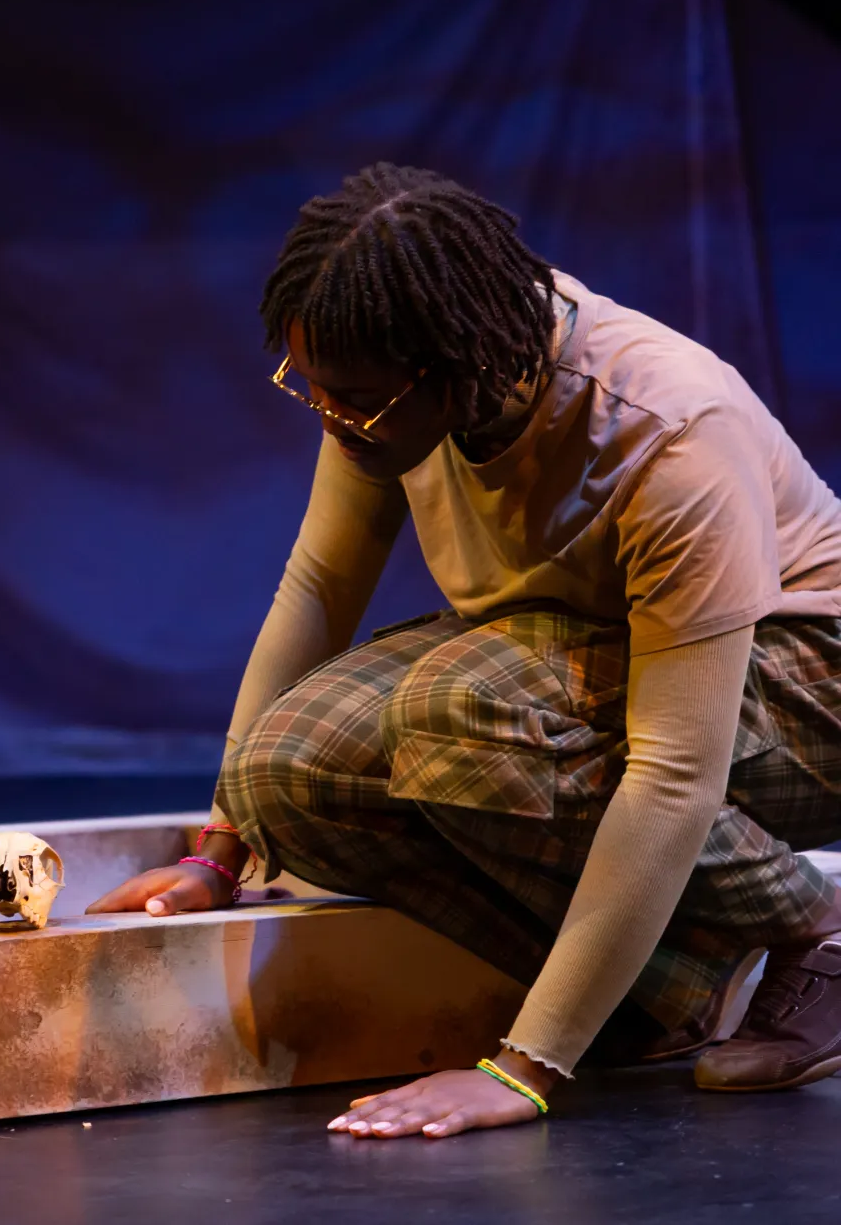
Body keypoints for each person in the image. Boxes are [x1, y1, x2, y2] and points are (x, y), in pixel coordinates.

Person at [89, 163, 841, 1136]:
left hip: (801, 681)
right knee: (288, 770)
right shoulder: (394, 372)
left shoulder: (665, 429)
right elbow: (316, 590)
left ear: (459, 366)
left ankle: (812, 926)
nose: (327, 416)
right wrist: (218, 853)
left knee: (462, 712)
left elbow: (670, 771)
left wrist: (522, 1067)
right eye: (305, 385)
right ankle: (663, 988)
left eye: (349, 398)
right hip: (591, 655)